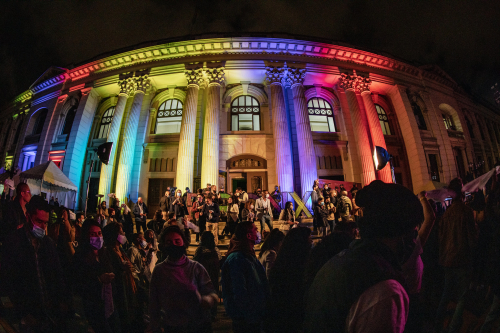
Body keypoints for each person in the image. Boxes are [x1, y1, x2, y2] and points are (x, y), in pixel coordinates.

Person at [304, 180, 424, 333]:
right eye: (414, 232)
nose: (414, 241)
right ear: (401, 231)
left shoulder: (342, 260)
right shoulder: (385, 289)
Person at [0, 195, 70, 332]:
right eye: (39, 221)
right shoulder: (13, 242)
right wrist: (22, 312)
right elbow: (8, 280)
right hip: (27, 315)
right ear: (28, 217)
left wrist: (62, 302)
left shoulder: (48, 244)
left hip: (50, 313)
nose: (43, 227)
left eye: (46, 223)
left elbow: (57, 275)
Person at [149, 226, 218, 332]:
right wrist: (155, 325)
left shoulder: (196, 268)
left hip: (198, 325)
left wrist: (207, 300)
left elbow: (212, 293)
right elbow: (154, 303)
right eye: (169, 242)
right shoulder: (159, 271)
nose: (174, 245)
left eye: (177, 241)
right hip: (172, 326)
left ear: (184, 243)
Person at [435, 178, 477, 333]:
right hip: (461, 259)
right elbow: (471, 239)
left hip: (446, 259)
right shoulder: (466, 212)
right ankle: (453, 328)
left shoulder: (446, 215)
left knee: (446, 293)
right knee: (462, 296)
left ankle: (438, 324)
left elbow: (441, 238)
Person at [72, 219, 121, 333]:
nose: (97, 237)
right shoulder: (80, 257)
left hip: (110, 303)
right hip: (94, 307)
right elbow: (78, 283)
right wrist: (99, 279)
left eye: (99, 233)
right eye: (93, 234)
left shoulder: (104, 254)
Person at [221, 222, 269, 333]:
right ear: (248, 235)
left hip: (253, 316)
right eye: (255, 230)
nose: (258, 233)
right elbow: (239, 291)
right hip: (246, 319)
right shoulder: (237, 259)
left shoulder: (248, 255)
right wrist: (249, 313)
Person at [264, 227, 312, 333]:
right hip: (289, 314)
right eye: (309, 239)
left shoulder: (282, 262)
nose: (311, 242)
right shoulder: (294, 266)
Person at [401, 190, 436, 333]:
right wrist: (422, 197)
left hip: (404, 298)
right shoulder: (412, 249)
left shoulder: (395, 251)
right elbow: (430, 218)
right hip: (413, 298)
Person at [102, 222, 138, 333]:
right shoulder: (108, 252)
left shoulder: (121, 250)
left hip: (127, 289)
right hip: (118, 293)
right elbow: (110, 273)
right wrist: (121, 269)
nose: (124, 234)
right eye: (121, 232)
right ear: (115, 234)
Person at [193, 231, 222, 321]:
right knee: (213, 293)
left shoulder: (200, 250)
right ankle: (213, 314)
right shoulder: (215, 250)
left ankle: (205, 314)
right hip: (213, 276)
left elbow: (195, 262)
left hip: (202, 277)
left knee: (203, 295)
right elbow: (220, 262)